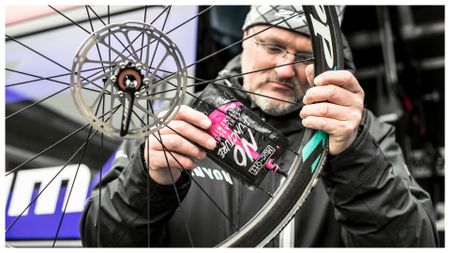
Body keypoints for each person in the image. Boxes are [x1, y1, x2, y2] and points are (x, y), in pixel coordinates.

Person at [80, 6, 438, 247]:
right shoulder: (179, 118)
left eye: (305, 56)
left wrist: (353, 156)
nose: (285, 70)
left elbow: (419, 244)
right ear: (245, 39)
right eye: (272, 46)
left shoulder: (360, 132)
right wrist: (151, 178)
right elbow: (98, 238)